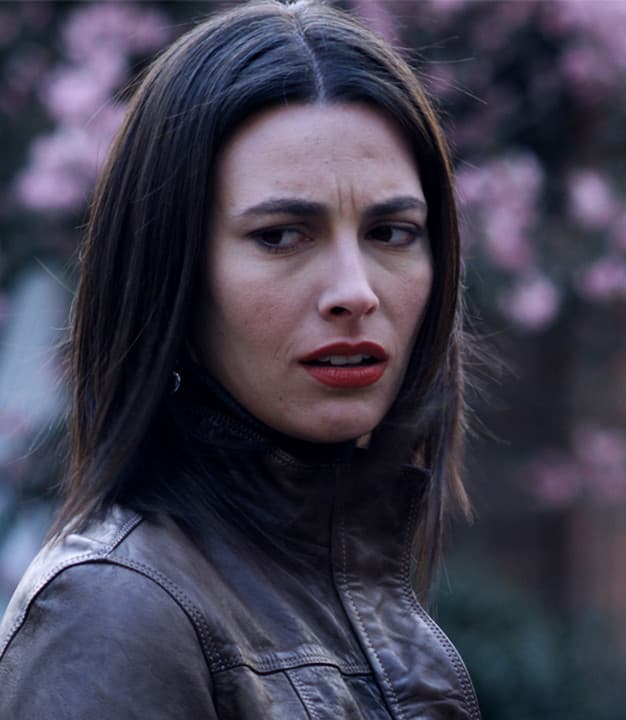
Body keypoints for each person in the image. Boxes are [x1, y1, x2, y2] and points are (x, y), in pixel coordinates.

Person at [0, 2, 480, 717]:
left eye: (390, 232)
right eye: (281, 236)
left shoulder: (348, 583)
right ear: (173, 272)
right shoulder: (113, 608)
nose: (355, 292)